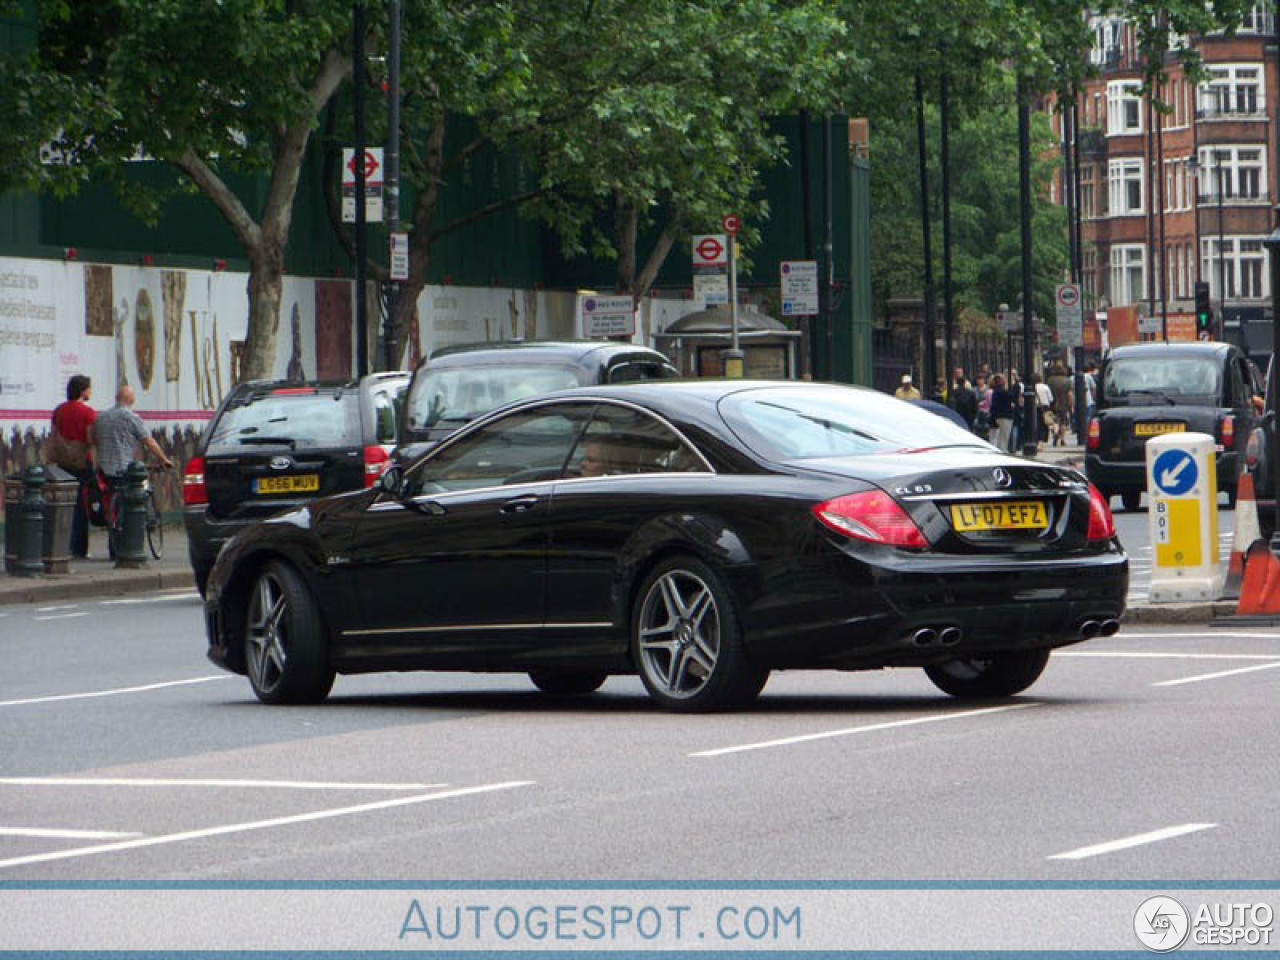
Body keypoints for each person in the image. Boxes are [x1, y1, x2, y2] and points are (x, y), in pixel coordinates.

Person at [93, 386, 173, 555]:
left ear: (116, 397)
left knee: (113, 507)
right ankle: (134, 540)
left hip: (104, 470)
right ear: (131, 400)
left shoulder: (100, 418)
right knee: (136, 498)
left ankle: (114, 541)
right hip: (124, 469)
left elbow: (94, 441)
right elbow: (148, 442)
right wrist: (163, 459)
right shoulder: (131, 418)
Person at [49, 375, 96, 558]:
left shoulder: (59, 410)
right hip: (81, 462)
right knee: (81, 506)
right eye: (89, 388)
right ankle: (79, 548)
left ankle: (61, 545)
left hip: (62, 462)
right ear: (83, 390)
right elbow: (90, 438)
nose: (91, 391)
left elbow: (53, 435)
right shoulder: (88, 412)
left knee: (63, 504)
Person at [990, 373, 1016, 452]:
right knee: (1004, 435)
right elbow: (1012, 397)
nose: (1005, 380)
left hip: (998, 415)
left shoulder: (996, 391)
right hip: (1005, 415)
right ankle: (1002, 450)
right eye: (1003, 379)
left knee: (1000, 435)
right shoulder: (1001, 391)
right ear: (999, 381)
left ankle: (1000, 449)